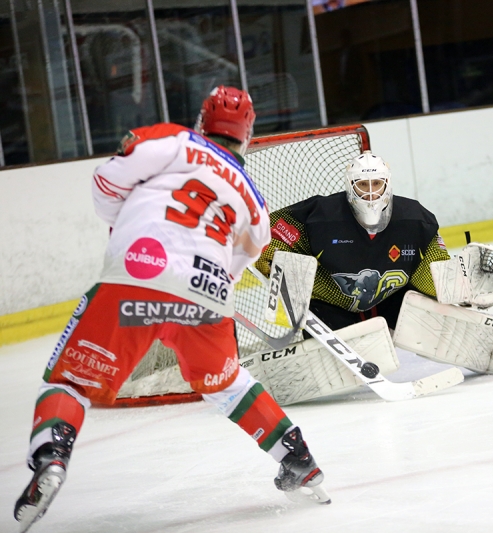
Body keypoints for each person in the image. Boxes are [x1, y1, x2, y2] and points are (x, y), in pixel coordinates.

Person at [14, 86, 329, 531]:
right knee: (226, 383)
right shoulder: (255, 205)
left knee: (74, 380)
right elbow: (238, 264)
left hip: (138, 274)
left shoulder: (173, 139)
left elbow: (105, 184)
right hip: (206, 295)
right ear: (247, 136)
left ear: (202, 123)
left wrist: (129, 223)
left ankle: (52, 454)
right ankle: (297, 456)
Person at [256, 151, 451, 333]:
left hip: (389, 300)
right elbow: (275, 228)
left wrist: (451, 287)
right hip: (330, 303)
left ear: (387, 183)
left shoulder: (414, 219)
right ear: (350, 185)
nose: (371, 193)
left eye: (376, 183)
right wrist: (269, 251)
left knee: (433, 314)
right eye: (363, 185)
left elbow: (434, 264)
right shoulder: (322, 216)